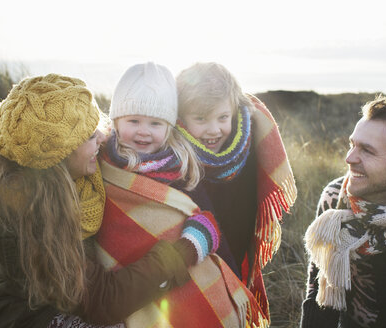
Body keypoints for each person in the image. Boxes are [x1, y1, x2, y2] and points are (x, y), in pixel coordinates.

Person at [0, 74, 199, 328]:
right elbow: (104, 302)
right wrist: (184, 251)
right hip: (26, 316)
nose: (102, 138)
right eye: (89, 136)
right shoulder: (30, 215)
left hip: (61, 301)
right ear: (58, 155)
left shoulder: (69, 179)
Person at [95, 62, 266, 327]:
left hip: (176, 278)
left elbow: (206, 222)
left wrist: (231, 280)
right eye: (133, 121)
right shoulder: (102, 163)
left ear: (169, 127)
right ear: (116, 120)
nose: (143, 131)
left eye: (155, 123)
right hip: (122, 282)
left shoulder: (181, 168)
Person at [175, 62, 297, 323]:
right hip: (194, 258)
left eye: (222, 117)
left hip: (237, 245)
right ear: (181, 117)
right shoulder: (175, 157)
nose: (214, 130)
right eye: (200, 119)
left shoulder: (248, 145)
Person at [301, 94, 386, 328]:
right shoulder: (335, 201)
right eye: (352, 144)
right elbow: (319, 290)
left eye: (367, 151)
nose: (349, 158)